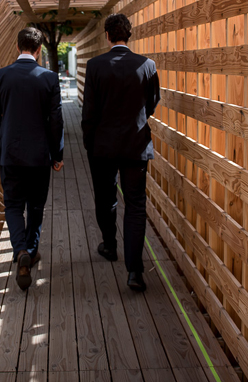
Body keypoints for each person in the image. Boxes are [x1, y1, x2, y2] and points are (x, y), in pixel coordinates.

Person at [81, 14, 160, 291]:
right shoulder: (147, 65)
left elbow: (89, 110)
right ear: (130, 34)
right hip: (135, 145)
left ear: (107, 36)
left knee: (105, 198)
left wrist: (89, 142)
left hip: (102, 146)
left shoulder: (95, 66)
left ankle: (110, 245)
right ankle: (135, 271)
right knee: (136, 204)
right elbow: (152, 103)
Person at [0, 27, 65, 290]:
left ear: (17, 46)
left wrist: (0, 146)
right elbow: (56, 120)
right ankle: (30, 253)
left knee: (13, 205)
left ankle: (20, 249)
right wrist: (57, 154)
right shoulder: (49, 78)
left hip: (10, 153)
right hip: (40, 155)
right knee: (35, 206)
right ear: (39, 49)